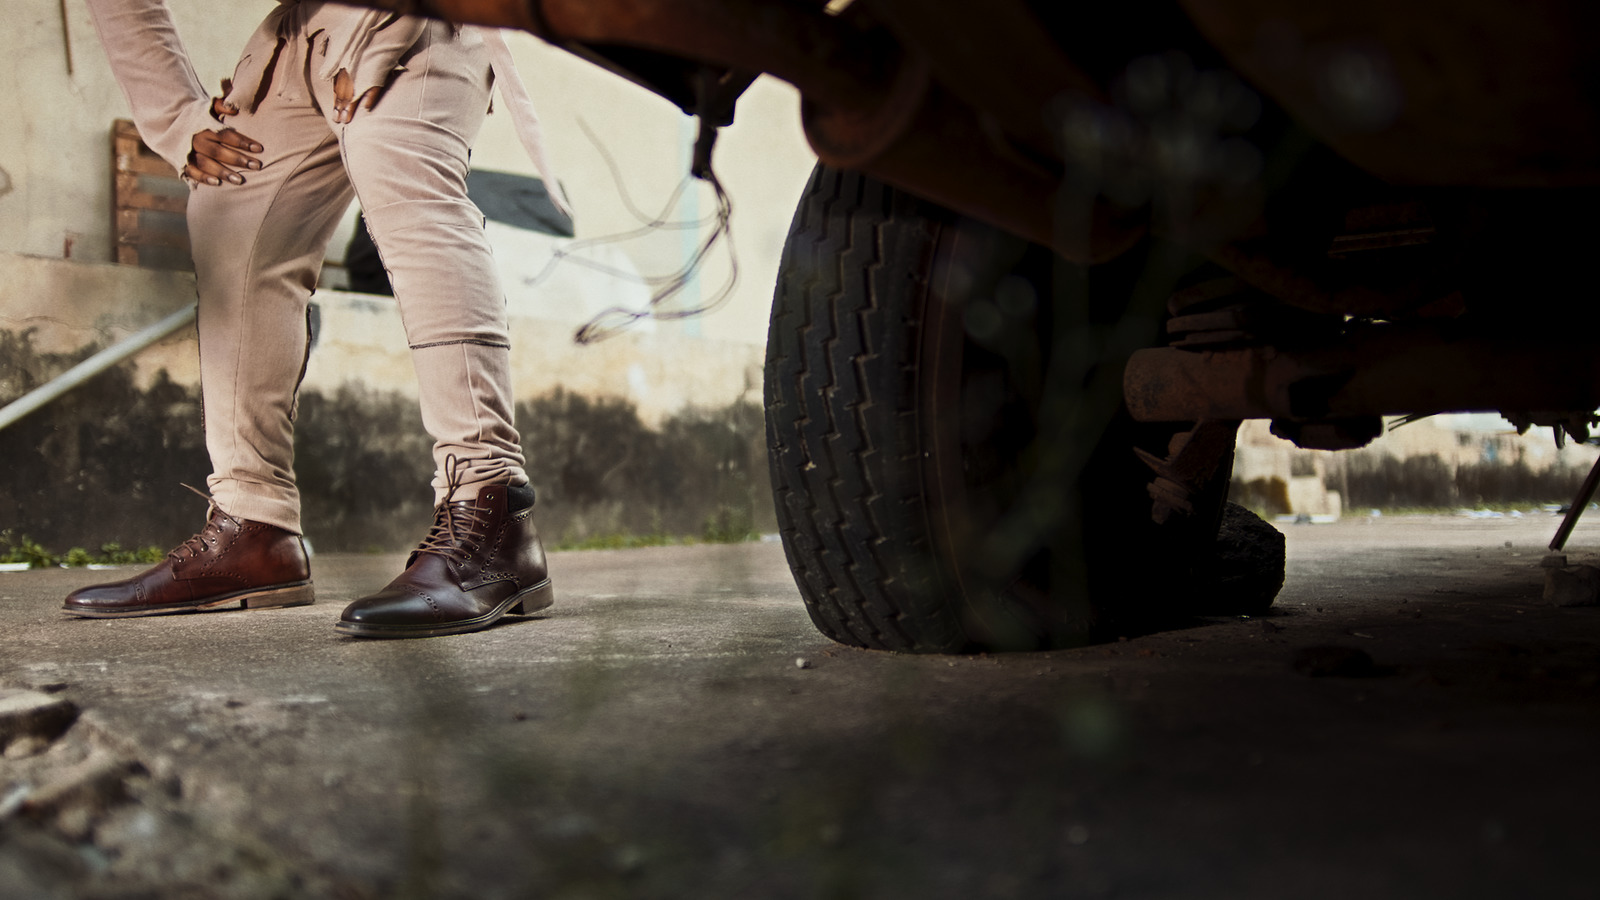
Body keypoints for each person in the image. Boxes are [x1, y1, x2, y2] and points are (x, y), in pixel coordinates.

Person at [64, 0, 564, 638]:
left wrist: (382, 43)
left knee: (406, 178)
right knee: (231, 212)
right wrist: (178, 118)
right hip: (295, 36)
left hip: (416, 15)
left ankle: (491, 513)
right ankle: (255, 530)